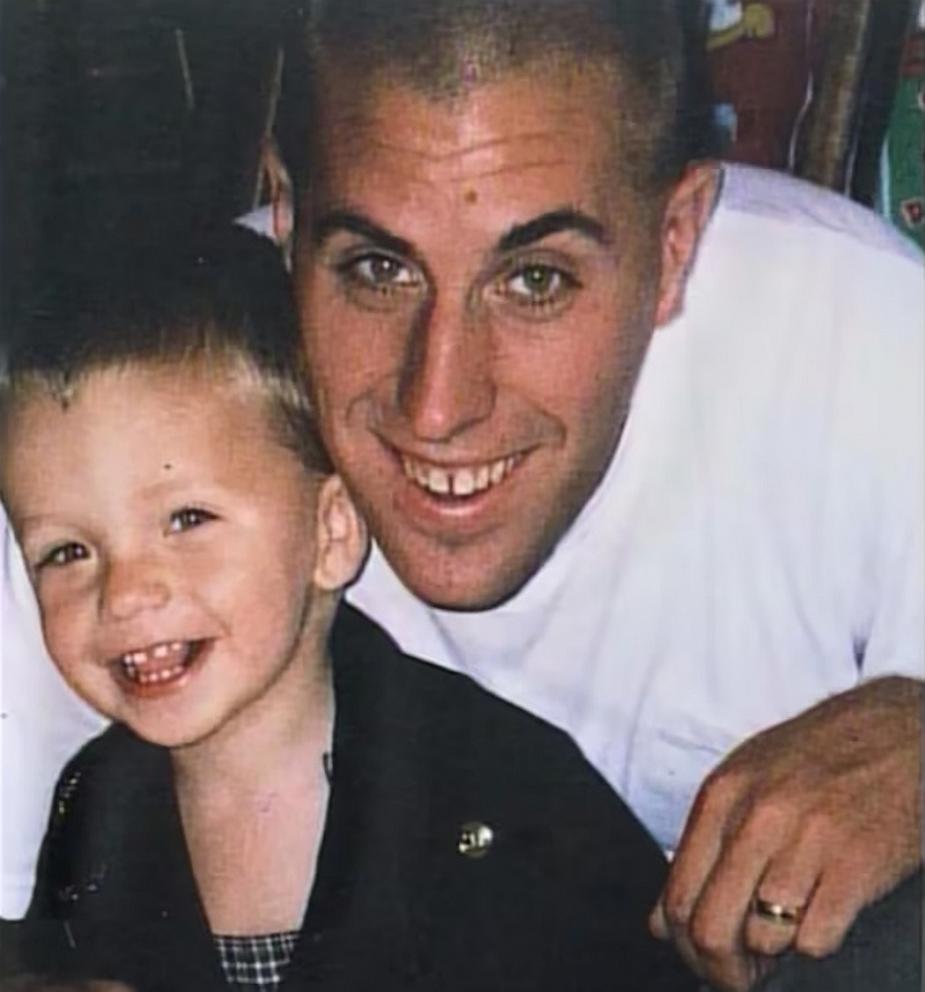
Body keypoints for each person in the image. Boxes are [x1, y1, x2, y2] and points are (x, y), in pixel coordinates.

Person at [265, 1, 922, 989]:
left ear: (673, 241)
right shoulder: (141, 416)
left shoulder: (865, 335)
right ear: (284, 220)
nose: (437, 405)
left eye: (534, 279)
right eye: (376, 266)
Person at [0, 228, 695, 991]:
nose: (125, 592)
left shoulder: (507, 796)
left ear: (330, 533)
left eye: (187, 520)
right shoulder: (94, 802)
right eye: (66, 552)